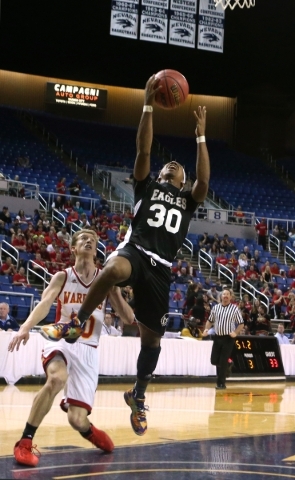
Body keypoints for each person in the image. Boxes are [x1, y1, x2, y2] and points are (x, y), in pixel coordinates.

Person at [41, 75, 210, 436]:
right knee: (112, 269)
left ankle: (138, 394)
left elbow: (205, 182)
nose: (171, 166)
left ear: (183, 180)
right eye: (169, 166)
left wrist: (200, 136)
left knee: (152, 342)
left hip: (161, 269)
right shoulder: (146, 184)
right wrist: (148, 104)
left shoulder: (188, 200)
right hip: (136, 250)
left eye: (177, 168)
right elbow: (144, 150)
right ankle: (75, 322)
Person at [8, 228, 135, 467]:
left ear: (96, 249)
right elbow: (45, 304)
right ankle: (24, 442)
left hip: (88, 351)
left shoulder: (106, 279)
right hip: (62, 341)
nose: (89, 240)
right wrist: (25, 327)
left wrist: (115, 291)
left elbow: (128, 318)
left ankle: (91, 432)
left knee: (77, 420)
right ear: (73, 248)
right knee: (56, 378)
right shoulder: (62, 276)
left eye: (93, 239)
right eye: (83, 238)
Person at [202, 288, 244, 389]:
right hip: (217, 337)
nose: (225, 296)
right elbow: (210, 320)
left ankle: (221, 383)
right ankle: (229, 363)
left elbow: (241, 324)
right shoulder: (216, 308)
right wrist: (206, 329)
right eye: (223, 294)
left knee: (222, 361)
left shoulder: (234, 309)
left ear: (230, 297)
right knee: (213, 360)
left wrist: (235, 332)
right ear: (221, 296)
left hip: (228, 338)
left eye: (227, 294)